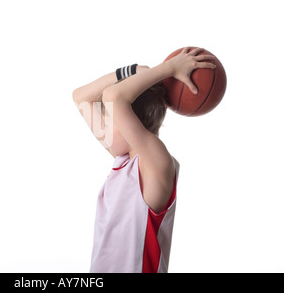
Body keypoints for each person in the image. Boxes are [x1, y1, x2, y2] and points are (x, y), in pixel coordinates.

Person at [72, 47, 216, 273]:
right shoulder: (122, 161)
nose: (103, 126)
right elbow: (80, 96)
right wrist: (133, 71)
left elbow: (113, 97)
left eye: (108, 119)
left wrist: (168, 68)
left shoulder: (155, 163)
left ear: (131, 122)